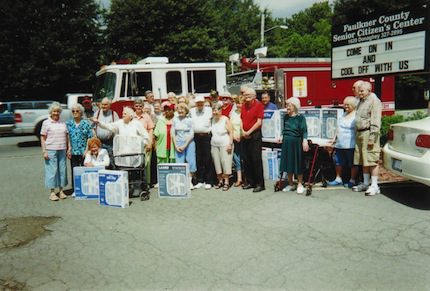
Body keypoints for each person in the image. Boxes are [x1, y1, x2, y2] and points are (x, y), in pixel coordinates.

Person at [92, 106, 150, 196]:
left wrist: (145, 143)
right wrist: (98, 122)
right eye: (122, 113)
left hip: (135, 153)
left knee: (135, 170)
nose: (123, 115)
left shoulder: (136, 123)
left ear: (131, 116)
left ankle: (137, 188)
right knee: (124, 170)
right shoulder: (119, 123)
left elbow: (145, 135)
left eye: (125, 114)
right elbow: (109, 126)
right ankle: (126, 188)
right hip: (122, 153)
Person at [352, 81, 382, 196]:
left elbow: (375, 120)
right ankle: (365, 183)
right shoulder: (360, 101)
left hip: (368, 133)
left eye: (362, 90)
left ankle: (375, 185)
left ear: (369, 91)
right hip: (360, 134)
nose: (359, 93)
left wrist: (372, 137)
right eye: (359, 90)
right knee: (363, 159)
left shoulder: (374, 101)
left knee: (372, 160)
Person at [40, 102, 70, 201]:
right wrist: (44, 151)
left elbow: (66, 136)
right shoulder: (46, 122)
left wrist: (68, 148)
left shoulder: (63, 122)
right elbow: (43, 137)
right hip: (50, 149)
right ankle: (52, 192)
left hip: (62, 149)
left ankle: (61, 191)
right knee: (52, 171)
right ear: (51, 112)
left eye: (57, 111)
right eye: (54, 111)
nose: (56, 113)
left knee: (62, 170)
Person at [280, 97, 309, 194]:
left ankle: (300, 183)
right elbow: (284, 129)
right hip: (286, 142)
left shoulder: (300, 118)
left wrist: (304, 141)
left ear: (295, 106)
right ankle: (291, 184)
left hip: (296, 142)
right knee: (288, 162)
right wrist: (281, 136)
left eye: (289, 105)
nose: (287, 107)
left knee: (298, 162)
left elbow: (304, 131)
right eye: (286, 105)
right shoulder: (285, 117)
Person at [327, 96, 358, 188]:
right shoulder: (343, 115)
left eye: (348, 105)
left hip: (351, 144)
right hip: (340, 144)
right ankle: (338, 179)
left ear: (353, 105)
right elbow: (338, 128)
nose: (346, 107)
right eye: (345, 105)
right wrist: (334, 138)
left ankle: (352, 180)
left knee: (352, 163)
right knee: (338, 162)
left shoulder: (356, 116)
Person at [240, 87, 265, 192]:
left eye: (249, 95)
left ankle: (260, 184)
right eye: (245, 95)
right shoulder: (243, 106)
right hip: (245, 135)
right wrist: (242, 131)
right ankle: (250, 182)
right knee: (246, 159)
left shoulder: (259, 105)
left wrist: (249, 132)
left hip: (254, 135)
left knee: (256, 160)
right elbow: (241, 119)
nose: (247, 97)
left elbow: (259, 122)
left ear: (254, 96)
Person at [66, 103, 93, 190]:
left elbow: (89, 137)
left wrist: (87, 150)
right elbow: (68, 137)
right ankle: (76, 189)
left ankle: (86, 188)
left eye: (77, 111)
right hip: (74, 151)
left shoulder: (86, 123)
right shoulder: (69, 123)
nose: (75, 112)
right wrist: (69, 149)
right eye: (73, 111)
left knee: (84, 170)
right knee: (74, 170)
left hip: (83, 151)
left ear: (81, 112)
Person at [190, 95, 214, 190]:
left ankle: (209, 181)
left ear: (203, 103)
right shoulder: (192, 111)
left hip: (206, 137)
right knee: (198, 158)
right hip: (196, 137)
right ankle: (200, 180)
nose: (199, 104)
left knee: (207, 158)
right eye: (198, 103)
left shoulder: (209, 110)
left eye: (201, 102)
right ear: (195, 103)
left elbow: (213, 121)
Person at [172, 103, 196, 190]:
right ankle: (181, 182)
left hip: (189, 143)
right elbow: (173, 133)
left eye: (182, 109)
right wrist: (176, 145)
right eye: (179, 109)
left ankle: (189, 181)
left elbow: (192, 134)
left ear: (186, 111)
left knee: (191, 161)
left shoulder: (190, 120)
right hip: (178, 142)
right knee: (179, 162)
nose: (180, 111)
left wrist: (185, 145)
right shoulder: (175, 120)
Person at [211, 102, 234, 191]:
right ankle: (220, 181)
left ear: (221, 110)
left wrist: (230, 144)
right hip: (214, 144)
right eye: (213, 110)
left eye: (216, 110)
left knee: (226, 163)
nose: (214, 112)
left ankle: (226, 182)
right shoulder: (212, 119)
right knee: (217, 163)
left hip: (225, 144)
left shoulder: (225, 119)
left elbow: (231, 132)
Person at [93, 97, 119, 165]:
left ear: (109, 105)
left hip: (110, 142)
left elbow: (117, 128)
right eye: (102, 104)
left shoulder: (114, 114)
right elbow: (92, 127)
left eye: (105, 104)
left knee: (111, 161)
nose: (103, 106)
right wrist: (95, 137)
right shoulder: (97, 113)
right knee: (99, 161)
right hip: (99, 142)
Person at [230, 95, 244, 187]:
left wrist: (242, 135)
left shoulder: (245, 112)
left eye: (241, 103)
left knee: (245, 159)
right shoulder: (233, 113)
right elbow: (230, 126)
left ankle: (246, 178)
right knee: (236, 158)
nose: (239, 105)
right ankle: (239, 178)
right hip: (235, 138)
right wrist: (234, 137)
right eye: (237, 103)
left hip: (244, 138)